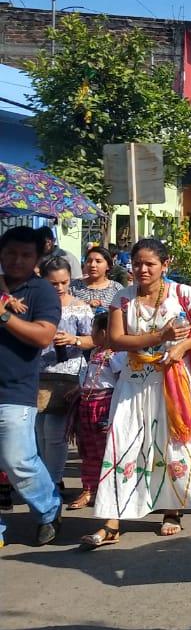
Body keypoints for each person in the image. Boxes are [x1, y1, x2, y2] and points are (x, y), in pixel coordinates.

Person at [81, 239, 191, 547]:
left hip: (172, 380)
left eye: (150, 264)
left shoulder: (183, 293)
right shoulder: (123, 297)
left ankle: (172, 510)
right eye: (137, 263)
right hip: (133, 381)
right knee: (123, 442)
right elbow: (115, 340)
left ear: (165, 265)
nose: (143, 269)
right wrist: (161, 336)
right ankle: (112, 519)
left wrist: (181, 346)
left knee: (170, 444)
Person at [0, 226, 64, 547]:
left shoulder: (41, 292)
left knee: (18, 461)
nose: (16, 260)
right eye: (10, 252)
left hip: (15, 390)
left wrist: (4, 317)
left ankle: (49, 508)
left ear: (37, 258)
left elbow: (43, 336)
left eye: (26, 255)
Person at [36, 255, 94, 495]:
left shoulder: (80, 308)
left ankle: (54, 481)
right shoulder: (35, 306)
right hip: (38, 373)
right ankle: (44, 480)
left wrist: (74, 339)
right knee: (38, 432)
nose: (59, 288)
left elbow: (95, 340)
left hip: (68, 375)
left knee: (55, 433)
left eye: (64, 282)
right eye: (53, 284)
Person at [68, 311, 120, 511]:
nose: (91, 333)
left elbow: (120, 380)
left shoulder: (118, 355)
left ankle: (110, 490)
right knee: (88, 451)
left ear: (105, 332)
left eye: (93, 330)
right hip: (87, 406)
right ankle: (89, 489)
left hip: (105, 407)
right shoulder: (94, 352)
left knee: (106, 451)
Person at [71, 245, 122, 310]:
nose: (92, 265)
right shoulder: (74, 287)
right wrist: (85, 306)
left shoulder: (117, 289)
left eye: (98, 261)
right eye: (89, 261)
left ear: (108, 266)